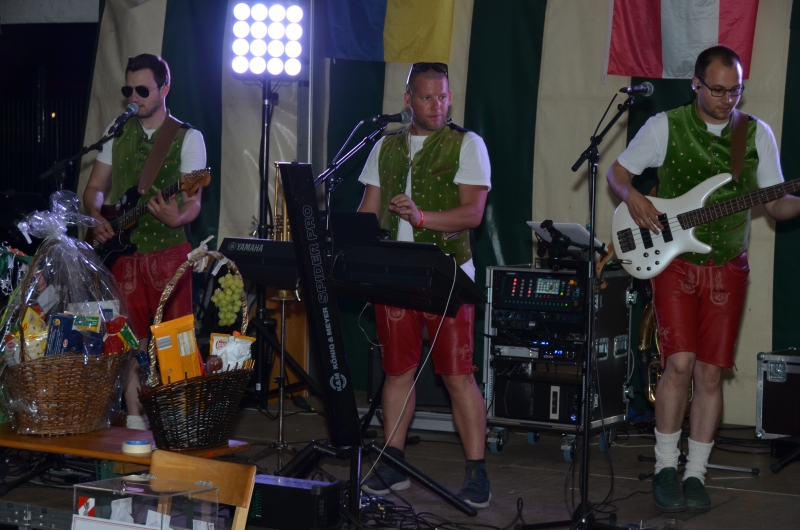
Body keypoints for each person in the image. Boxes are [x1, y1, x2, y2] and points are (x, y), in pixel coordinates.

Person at [607, 45, 800, 513]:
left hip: (728, 265)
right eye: (717, 90)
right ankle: (665, 467)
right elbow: (617, 173)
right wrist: (633, 198)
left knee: (710, 373)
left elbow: (775, 205)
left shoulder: (755, 135)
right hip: (675, 261)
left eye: (735, 91)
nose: (727, 99)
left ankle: (695, 473)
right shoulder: (665, 126)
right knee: (678, 364)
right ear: (695, 84)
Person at [356, 62, 492, 508]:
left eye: (443, 96)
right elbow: (368, 211)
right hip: (395, 276)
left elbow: (473, 214)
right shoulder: (385, 146)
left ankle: (477, 471)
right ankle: (393, 463)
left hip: (447, 274)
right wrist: (347, 243)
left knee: (457, 375)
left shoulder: (467, 144)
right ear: (407, 100)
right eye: (428, 97)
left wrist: (421, 218)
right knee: (397, 372)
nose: (438, 105)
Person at [83, 54, 207, 430]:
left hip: (169, 255)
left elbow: (193, 202)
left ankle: (180, 427)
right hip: (123, 257)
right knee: (128, 344)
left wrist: (177, 217)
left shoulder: (188, 137)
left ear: (164, 89)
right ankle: (135, 424)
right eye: (128, 89)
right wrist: (95, 216)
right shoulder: (117, 132)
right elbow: (94, 188)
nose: (133, 97)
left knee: (176, 344)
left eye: (142, 90)